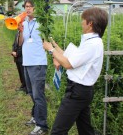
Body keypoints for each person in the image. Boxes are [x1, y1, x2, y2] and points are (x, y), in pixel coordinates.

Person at [43, 7, 108, 135]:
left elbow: (68, 63)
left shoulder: (92, 44)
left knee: (58, 131)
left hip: (77, 92)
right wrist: (55, 46)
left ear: (90, 23)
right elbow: (71, 57)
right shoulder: (91, 42)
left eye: (83, 20)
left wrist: (51, 50)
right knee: (85, 129)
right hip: (82, 91)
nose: (81, 23)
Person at [22, 0, 49, 135]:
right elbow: (22, 42)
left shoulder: (42, 23)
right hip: (26, 63)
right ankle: (36, 116)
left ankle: (42, 125)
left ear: (35, 8)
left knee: (39, 95)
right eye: (26, 7)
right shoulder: (23, 23)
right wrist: (20, 31)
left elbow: (48, 41)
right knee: (32, 93)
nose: (28, 9)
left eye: (30, 6)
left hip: (38, 63)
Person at [11, 21, 26, 93]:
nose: (18, 26)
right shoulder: (17, 33)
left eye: (19, 25)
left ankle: (25, 87)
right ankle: (22, 85)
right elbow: (14, 44)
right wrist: (13, 51)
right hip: (16, 57)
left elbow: (22, 46)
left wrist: (17, 53)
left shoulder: (24, 34)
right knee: (20, 71)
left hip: (21, 57)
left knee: (23, 72)